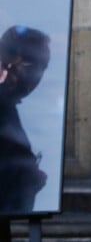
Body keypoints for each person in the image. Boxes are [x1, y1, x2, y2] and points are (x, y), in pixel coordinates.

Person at [0, 25, 50, 215]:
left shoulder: (8, 106)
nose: (37, 77)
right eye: (32, 65)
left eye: (43, 67)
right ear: (8, 62)